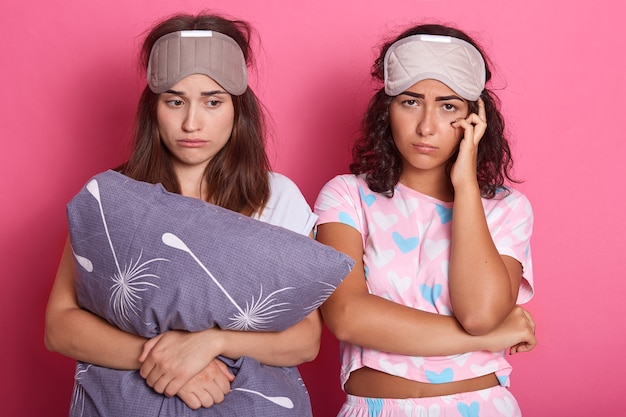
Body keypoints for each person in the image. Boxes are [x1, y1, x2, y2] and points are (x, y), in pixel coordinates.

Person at [44, 12, 321, 414]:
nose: (192, 123)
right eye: (175, 101)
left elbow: (305, 339)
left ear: (238, 109)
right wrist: (169, 362)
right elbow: (60, 326)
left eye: (213, 101)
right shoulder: (111, 198)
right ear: (152, 108)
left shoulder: (276, 197)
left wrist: (213, 343)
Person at [314, 23, 536, 416]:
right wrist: (487, 337)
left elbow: (480, 314)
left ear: (475, 117)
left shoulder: (506, 208)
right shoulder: (347, 195)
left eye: (448, 106)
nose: (426, 127)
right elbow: (347, 318)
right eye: (411, 102)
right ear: (387, 108)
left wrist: (466, 185)